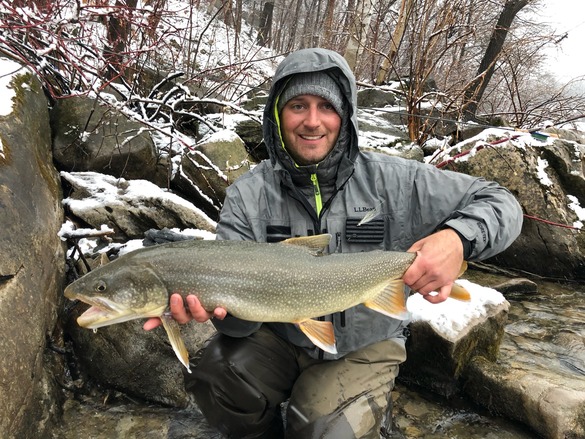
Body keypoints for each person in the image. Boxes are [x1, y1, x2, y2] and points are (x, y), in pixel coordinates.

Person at [144, 48, 523, 438]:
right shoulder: (248, 195)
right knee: (213, 378)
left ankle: (366, 415)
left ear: (346, 115)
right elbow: (240, 325)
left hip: (366, 344)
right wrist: (214, 308)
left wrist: (458, 239)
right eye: (297, 106)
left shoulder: (396, 181)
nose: (312, 121)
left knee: (321, 425)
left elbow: (503, 203)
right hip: (281, 339)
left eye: (326, 106)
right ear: (276, 115)